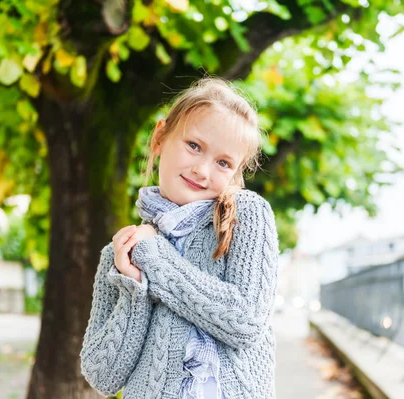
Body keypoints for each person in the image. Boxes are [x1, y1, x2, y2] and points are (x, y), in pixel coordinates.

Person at [80, 77, 279, 399]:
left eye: (223, 163)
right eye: (194, 146)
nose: (202, 170)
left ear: (236, 172)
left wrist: (155, 261)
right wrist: (136, 288)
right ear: (160, 137)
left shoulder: (243, 215)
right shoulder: (124, 252)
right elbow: (102, 376)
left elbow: (245, 323)